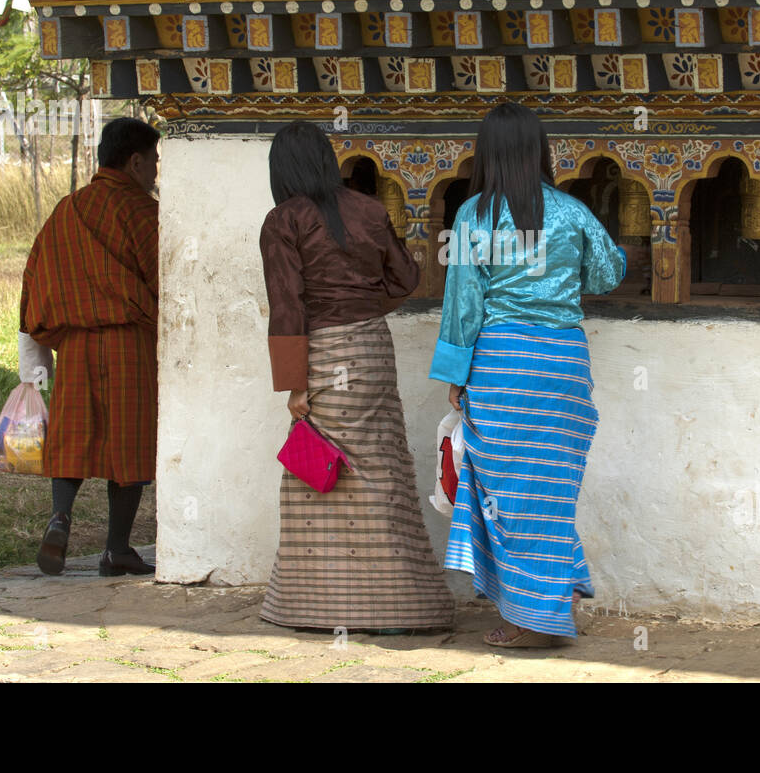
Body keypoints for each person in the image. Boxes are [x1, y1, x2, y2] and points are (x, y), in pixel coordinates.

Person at [429, 101, 626, 648]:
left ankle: (528, 618)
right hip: (562, 365)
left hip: (500, 367)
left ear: (486, 152)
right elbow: (608, 272)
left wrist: (455, 372)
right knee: (551, 491)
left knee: (504, 495)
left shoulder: (472, 215)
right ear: (540, 150)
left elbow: (463, 303)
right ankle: (548, 602)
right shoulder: (570, 211)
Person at [258, 121, 455, 633]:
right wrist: (366, 308)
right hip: (371, 348)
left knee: (317, 475)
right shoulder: (368, 208)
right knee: (381, 471)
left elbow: (287, 305)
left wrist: (294, 383)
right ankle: (404, 607)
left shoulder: (283, 220)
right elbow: (406, 278)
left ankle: (318, 607)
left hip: (323, 356)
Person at [20, 117, 160, 577]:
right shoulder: (140, 210)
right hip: (129, 342)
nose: (156, 174)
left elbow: (35, 276)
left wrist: (36, 356)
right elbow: (167, 279)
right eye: (154, 163)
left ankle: (60, 517)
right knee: (130, 442)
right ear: (136, 161)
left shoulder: (68, 208)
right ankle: (116, 548)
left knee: (75, 436)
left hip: (77, 346)